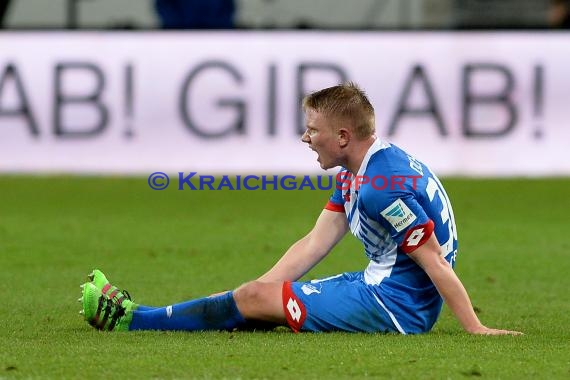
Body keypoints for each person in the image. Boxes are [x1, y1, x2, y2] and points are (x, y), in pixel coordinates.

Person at [79, 83, 522, 336]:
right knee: (256, 297)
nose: (305, 138)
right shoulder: (362, 170)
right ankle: (234, 310)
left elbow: (435, 261)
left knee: (255, 299)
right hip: (378, 285)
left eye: (313, 130)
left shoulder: (379, 187)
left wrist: (475, 329)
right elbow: (315, 242)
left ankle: (134, 321)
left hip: (394, 307)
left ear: (344, 137)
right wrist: (258, 290)